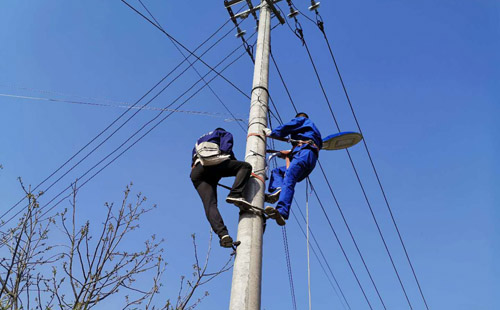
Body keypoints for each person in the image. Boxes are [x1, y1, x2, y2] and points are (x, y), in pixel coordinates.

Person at [190, 128, 253, 248]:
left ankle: (223, 235)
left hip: (197, 172)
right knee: (245, 167)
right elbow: (226, 149)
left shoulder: (199, 141)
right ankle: (235, 194)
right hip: (213, 163)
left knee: (210, 205)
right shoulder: (221, 132)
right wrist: (233, 163)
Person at [263, 112, 322, 226]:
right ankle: (279, 190)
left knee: (289, 178)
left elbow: (289, 126)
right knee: (278, 172)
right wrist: (289, 153)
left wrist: (273, 133)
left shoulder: (302, 121)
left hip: (304, 154)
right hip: (309, 159)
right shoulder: (313, 134)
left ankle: (282, 210)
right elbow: (307, 144)